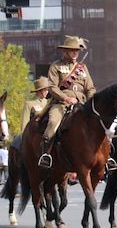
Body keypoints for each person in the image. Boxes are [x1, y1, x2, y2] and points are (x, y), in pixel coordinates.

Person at [39, 36, 95, 168]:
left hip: (81, 104)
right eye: (72, 50)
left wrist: (89, 102)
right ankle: (45, 154)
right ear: (65, 51)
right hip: (61, 103)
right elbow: (52, 87)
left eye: (77, 50)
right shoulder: (56, 66)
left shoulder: (83, 68)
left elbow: (90, 88)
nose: (75, 53)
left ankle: (106, 157)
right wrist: (65, 98)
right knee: (53, 122)